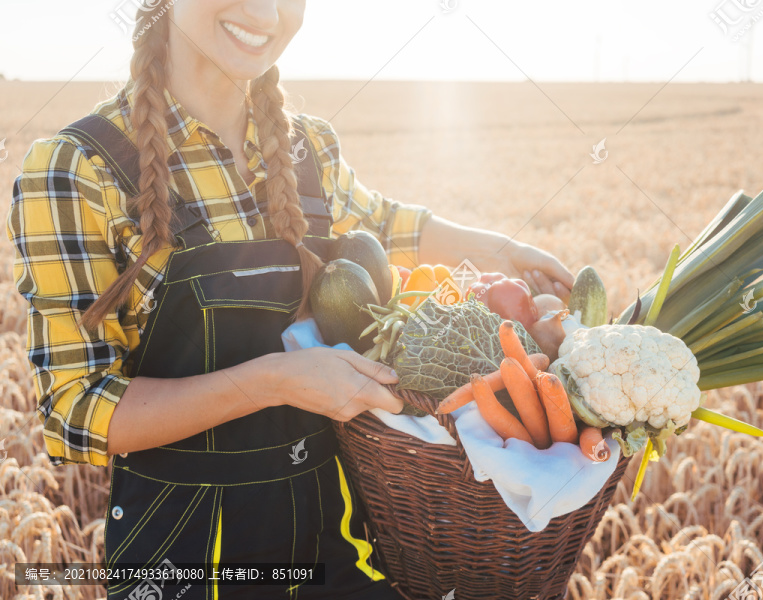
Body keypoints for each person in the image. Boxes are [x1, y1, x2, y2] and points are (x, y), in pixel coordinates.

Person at [6, 1, 575, 598]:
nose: (264, 10)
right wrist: (275, 380)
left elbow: (376, 221)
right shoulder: (78, 168)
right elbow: (76, 408)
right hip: (187, 560)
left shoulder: (306, 147)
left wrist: (497, 250)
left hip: (340, 547)